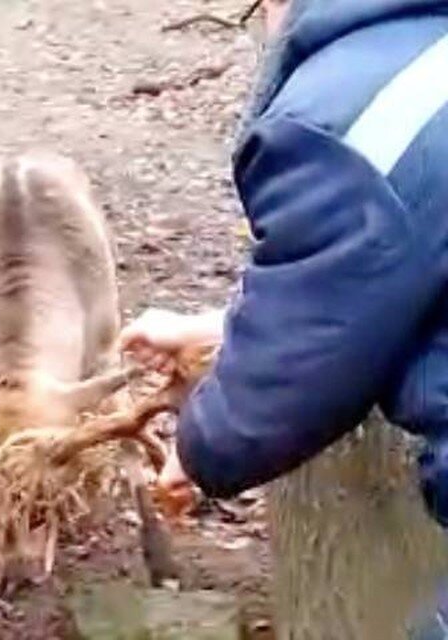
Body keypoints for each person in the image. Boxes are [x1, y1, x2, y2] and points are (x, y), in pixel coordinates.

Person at [120, 0, 448, 622]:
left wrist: (198, 445)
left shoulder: (344, 121)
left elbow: (275, 398)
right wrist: (226, 333)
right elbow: (390, 276)